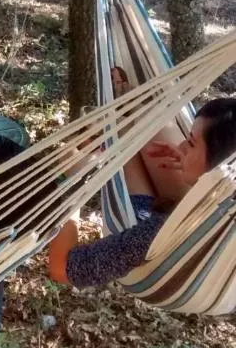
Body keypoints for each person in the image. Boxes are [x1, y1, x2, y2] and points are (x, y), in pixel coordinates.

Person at [48, 94, 236, 288]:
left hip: (159, 240)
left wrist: (74, 184)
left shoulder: (157, 234)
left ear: (219, 167)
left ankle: (113, 135)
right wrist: (195, 172)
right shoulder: (224, 207)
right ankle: (120, 125)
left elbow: (61, 268)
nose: (181, 146)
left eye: (190, 142)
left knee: (123, 141)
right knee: (129, 141)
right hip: (175, 217)